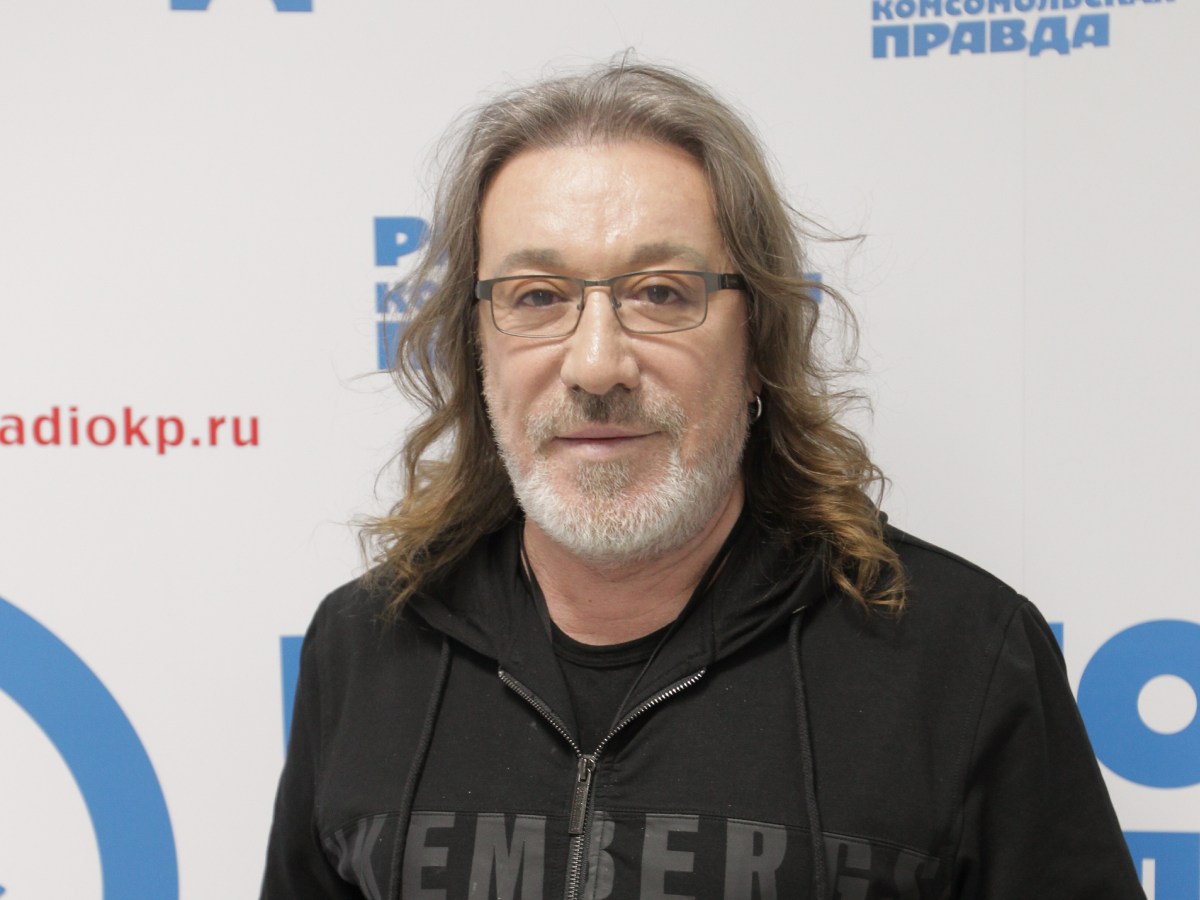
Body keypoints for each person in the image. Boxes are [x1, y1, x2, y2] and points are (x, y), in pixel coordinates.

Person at [261, 60, 1145, 900]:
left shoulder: (964, 659)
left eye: (661, 293)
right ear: (477, 347)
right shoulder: (363, 647)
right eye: (536, 297)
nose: (596, 364)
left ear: (758, 341)